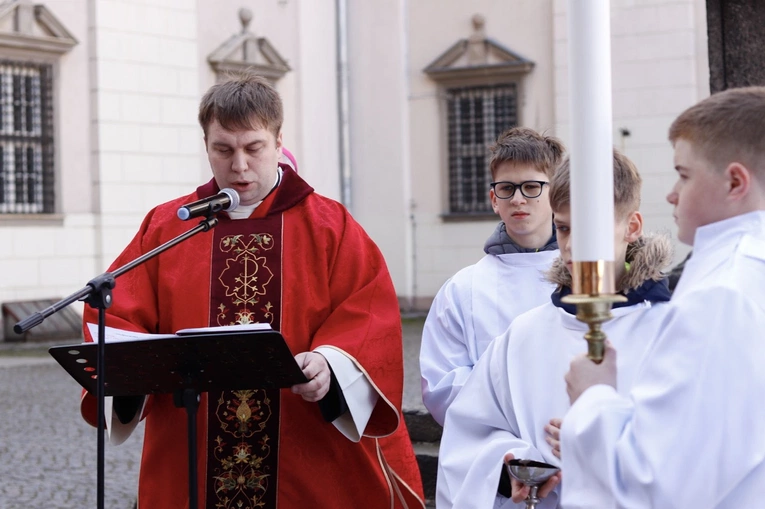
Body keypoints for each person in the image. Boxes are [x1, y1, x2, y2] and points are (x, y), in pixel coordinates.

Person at [79, 74, 424, 508]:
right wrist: (134, 365)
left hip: (303, 456)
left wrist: (331, 363)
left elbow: (369, 315)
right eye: (223, 150)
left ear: (279, 142)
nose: (239, 166)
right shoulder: (169, 226)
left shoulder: (329, 226)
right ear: (206, 145)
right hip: (195, 452)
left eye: (253, 148)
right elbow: (118, 313)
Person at [562, 87, 765, 508]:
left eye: (683, 174)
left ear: (734, 181)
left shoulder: (723, 294)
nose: (672, 193)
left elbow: (658, 482)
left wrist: (594, 398)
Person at [436, 150, 673, 509]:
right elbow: (470, 433)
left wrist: (607, 434)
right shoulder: (525, 334)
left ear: (632, 226)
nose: (572, 245)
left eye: (590, 227)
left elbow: (710, 442)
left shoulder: (673, 331)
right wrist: (512, 466)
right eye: (563, 228)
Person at [420, 127, 564, 426]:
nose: (518, 199)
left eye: (532, 187)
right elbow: (441, 385)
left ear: (557, 193)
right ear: (493, 199)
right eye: (507, 189)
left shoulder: (585, 277)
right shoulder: (463, 289)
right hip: (493, 453)